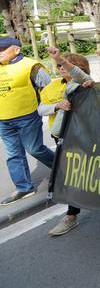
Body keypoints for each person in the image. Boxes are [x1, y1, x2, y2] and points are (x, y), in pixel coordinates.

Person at [39, 47, 93, 236]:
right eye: (60, 65)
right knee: (72, 175)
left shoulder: (85, 84)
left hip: (83, 137)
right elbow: (40, 109)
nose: (62, 68)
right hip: (62, 136)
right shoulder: (56, 86)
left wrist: (61, 59)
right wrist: (56, 106)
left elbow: (81, 76)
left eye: (67, 65)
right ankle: (71, 215)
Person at [0, 36, 56, 205]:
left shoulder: (31, 66)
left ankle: (65, 169)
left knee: (35, 149)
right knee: (13, 155)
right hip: (3, 119)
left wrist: (50, 108)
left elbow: (48, 87)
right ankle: (24, 188)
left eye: (3, 49)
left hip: (28, 116)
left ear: (16, 49)